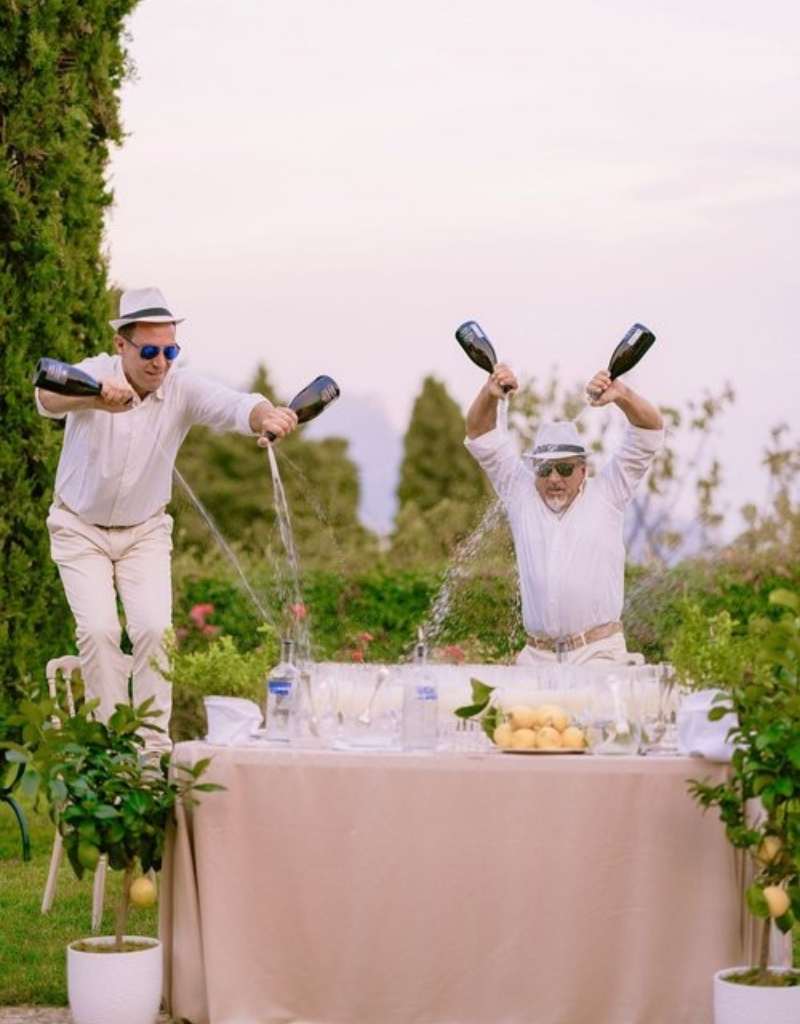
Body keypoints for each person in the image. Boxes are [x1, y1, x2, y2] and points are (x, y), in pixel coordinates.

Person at [36, 287, 298, 750]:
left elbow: (236, 405)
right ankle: (111, 749)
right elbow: (46, 395)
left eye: (170, 351)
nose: (161, 363)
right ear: (121, 345)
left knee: (156, 631)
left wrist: (267, 417)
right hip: (78, 529)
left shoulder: (181, 387)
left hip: (145, 533)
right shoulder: (95, 372)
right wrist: (95, 398)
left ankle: (153, 751)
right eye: (150, 352)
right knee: (99, 631)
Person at [465, 364, 664, 664]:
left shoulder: (608, 492)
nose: (554, 478)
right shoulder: (520, 492)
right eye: (545, 469)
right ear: (535, 469)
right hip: (536, 656)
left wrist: (621, 394)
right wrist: (488, 393)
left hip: (598, 654)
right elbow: (480, 434)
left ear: (583, 469)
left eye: (565, 468)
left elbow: (650, 431)